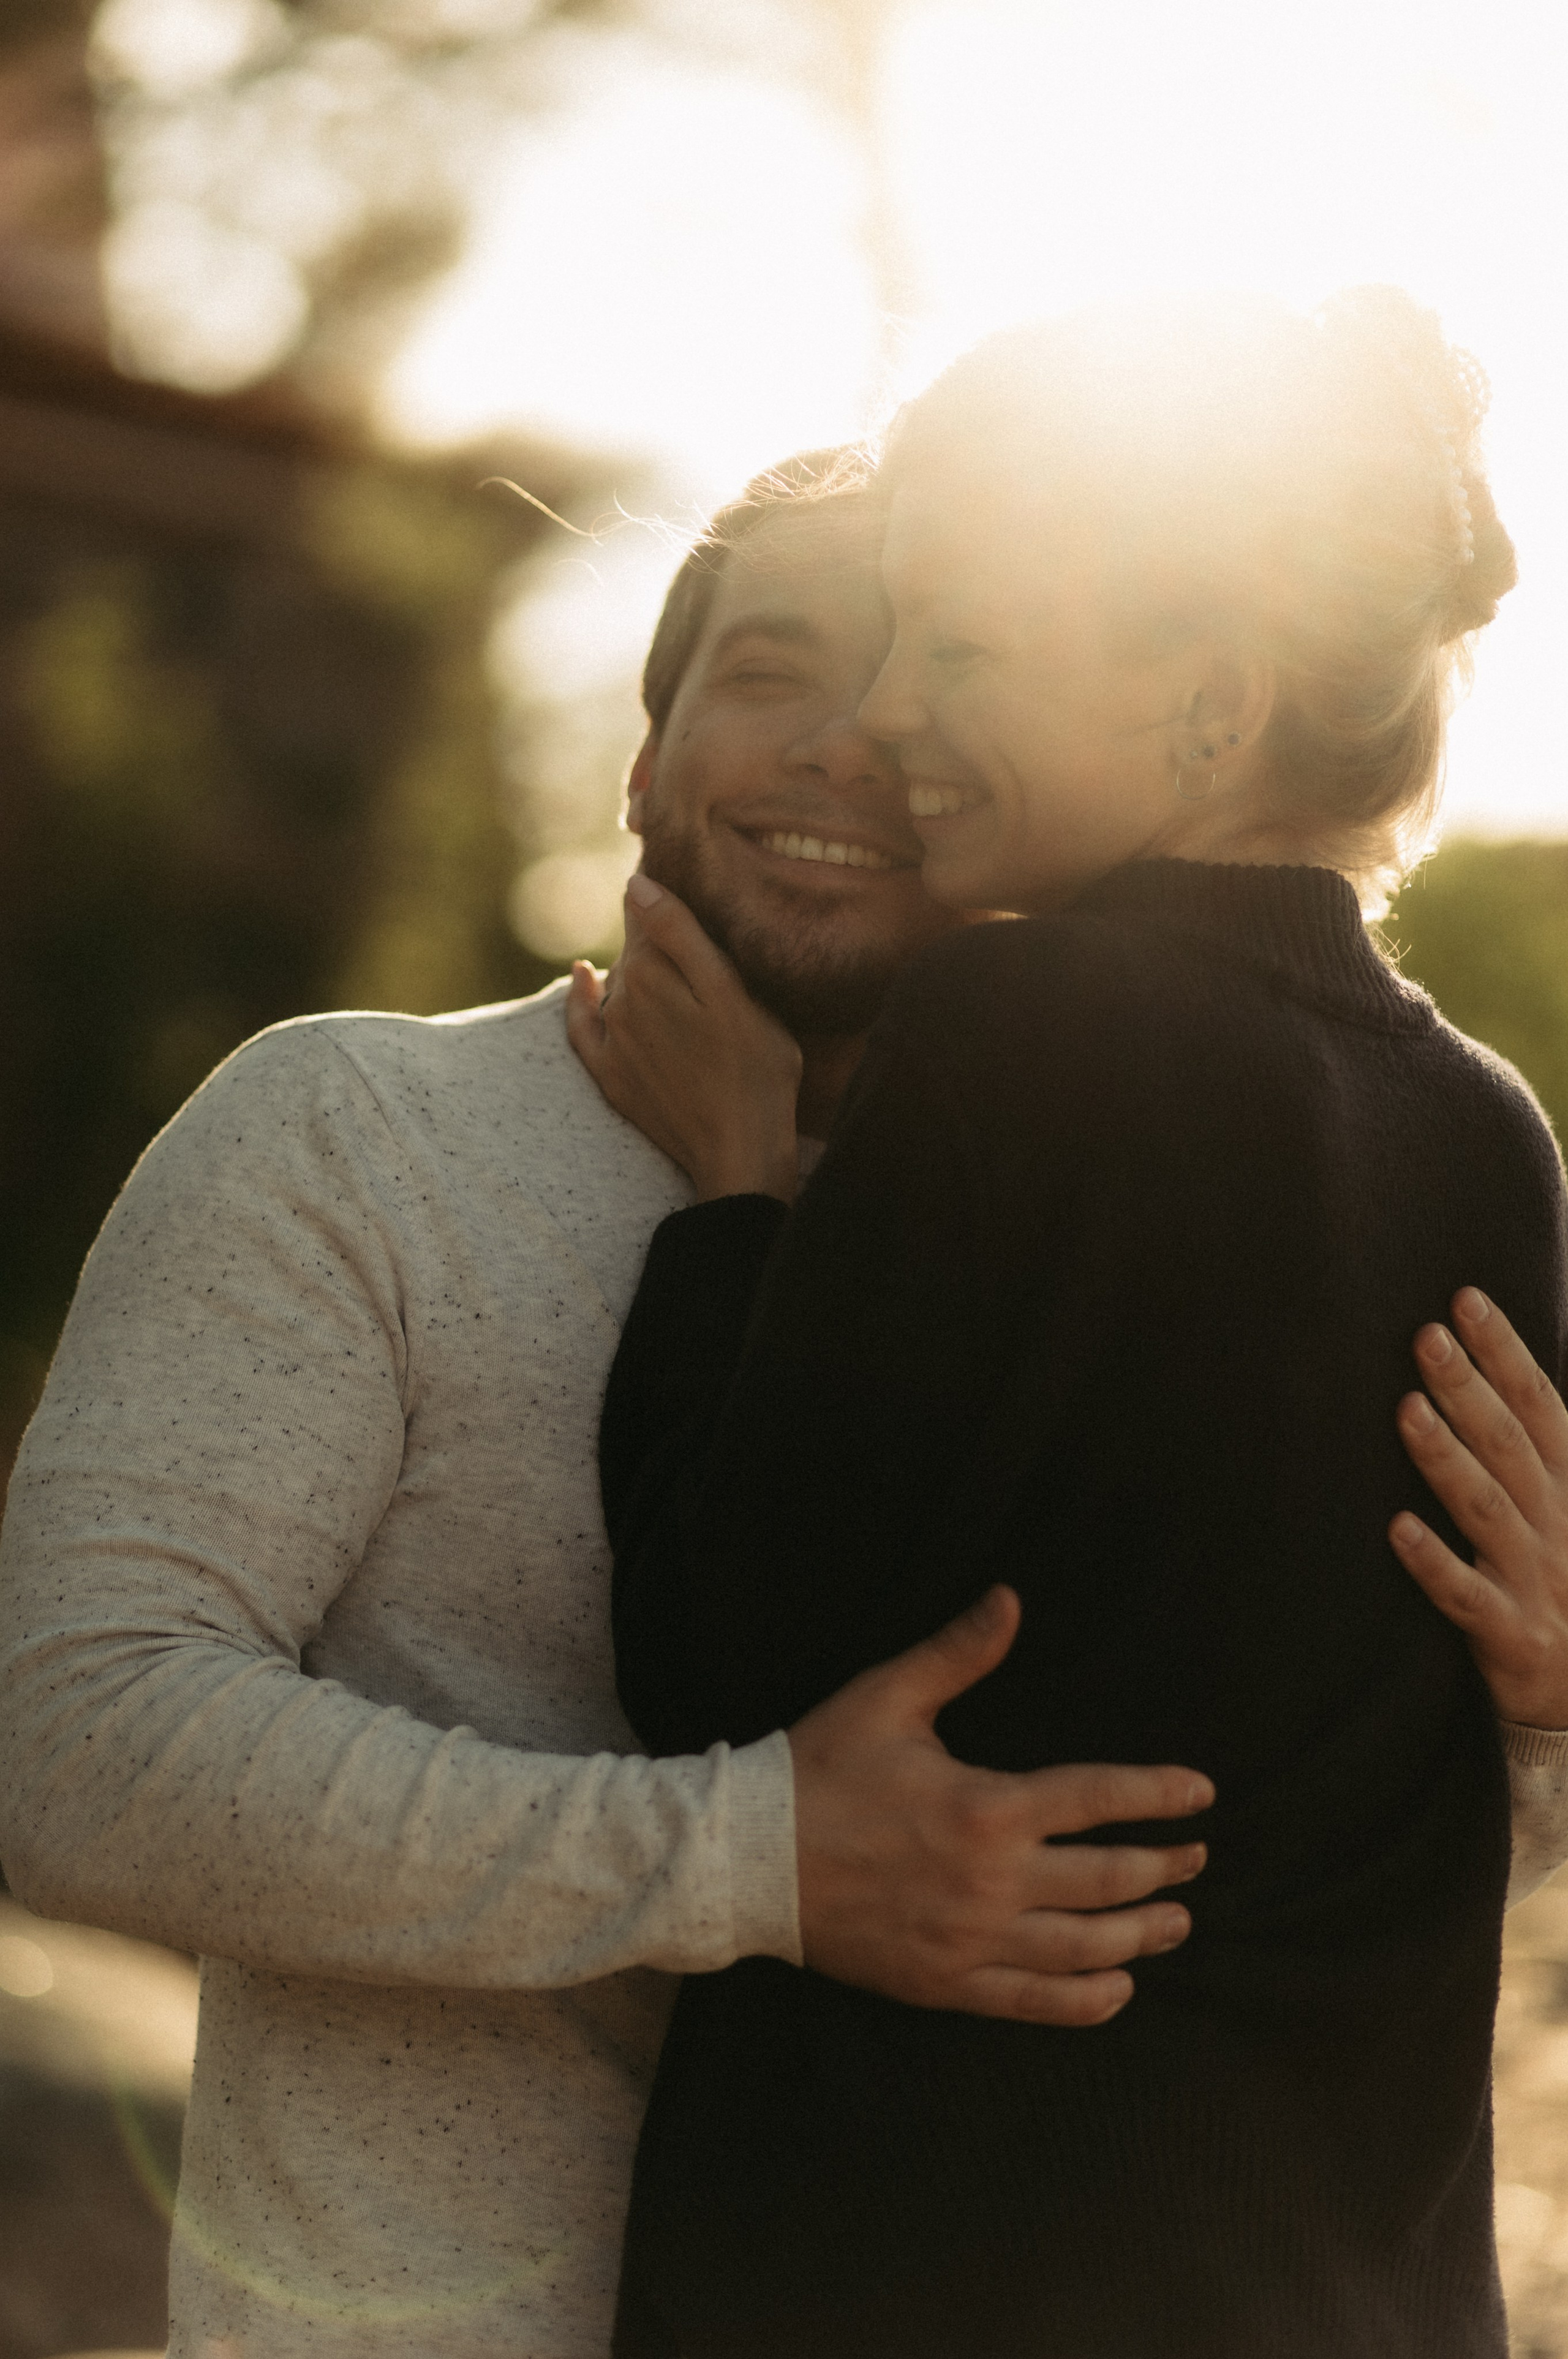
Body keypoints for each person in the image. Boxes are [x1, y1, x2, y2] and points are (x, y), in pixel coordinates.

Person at [0, 443, 1562, 2359]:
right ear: (645, 756)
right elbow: (77, 1750)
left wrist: (1545, 1710)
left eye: (937, 662)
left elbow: (1271, 1877)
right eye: (773, 671)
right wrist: (759, 1859)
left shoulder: (1186, 1210)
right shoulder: (357, 1131)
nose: (863, 732)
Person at [573, 295, 1568, 2358]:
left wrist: (736, 1200)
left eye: (959, 646)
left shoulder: (1020, 1026)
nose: (890, 712)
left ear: (1208, 708)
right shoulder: (1492, 1131)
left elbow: (707, 1665)